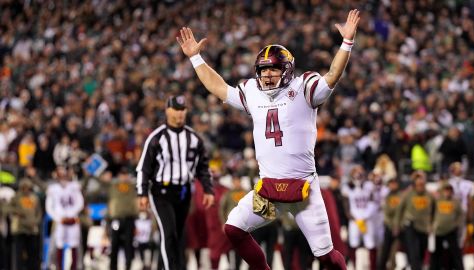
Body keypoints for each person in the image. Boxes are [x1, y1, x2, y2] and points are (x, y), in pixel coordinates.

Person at [177, 8, 360, 270]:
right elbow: (219, 88)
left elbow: (332, 75)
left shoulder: (303, 87)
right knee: (233, 229)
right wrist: (195, 58)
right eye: (263, 70)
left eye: (274, 69)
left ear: (287, 69)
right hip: (269, 190)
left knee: (326, 256)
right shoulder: (253, 91)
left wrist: (347, 42)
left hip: (303, 190)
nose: (267, 75)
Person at [136, 94, 214, 270]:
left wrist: (208, 190)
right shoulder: (157, 137)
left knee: (179, 236)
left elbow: (203, 167)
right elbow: (144, 168)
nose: (179, 114)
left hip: (184, 191)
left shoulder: (194, 138)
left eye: (183, 110)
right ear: (167, 110)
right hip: (161, 191)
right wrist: (142, 193)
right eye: (176, 110)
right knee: (168, 233)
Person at [46, 165, 85, 270]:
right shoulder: (53, 188)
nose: (63, 176)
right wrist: (58, 218)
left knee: (75, 245)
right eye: (61, 174)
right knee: (56, 246)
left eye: (64, 174)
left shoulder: (74, 186)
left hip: (73, 220)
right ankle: (55, 266)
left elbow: (80, 202)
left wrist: (72, 214)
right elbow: (49, 207)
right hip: (59, 221)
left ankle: (75, 267)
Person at [394, 171, 434, 270]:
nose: (420, 182)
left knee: (422, 250)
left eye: (421, 179)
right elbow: (399, 210)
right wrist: (396, 225)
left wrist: (432, 224)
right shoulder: (408, 194)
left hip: (424, 227)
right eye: (417, 179)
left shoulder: (429, 195)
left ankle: (417, 267)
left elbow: (435, 212)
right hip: (410, 225)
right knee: (413, 252)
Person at [108, 167, 138, 270]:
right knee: (114, 243)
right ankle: (113, 267)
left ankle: (128, 266)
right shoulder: (113, 186)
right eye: (122, 174)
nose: (124, 177)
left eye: (125, 174)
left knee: (129, 244)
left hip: (130, 219)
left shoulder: (133, 186)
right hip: (116, 219)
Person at [8, 179, 42, 270]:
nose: (26, 190)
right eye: (24, 187)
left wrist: (35, 221)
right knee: (18, 253)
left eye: (28, 188)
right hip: (20, 229)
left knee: (32, 253)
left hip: (32, 229)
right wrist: (17, 212)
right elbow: (8, 208)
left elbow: (39, 213)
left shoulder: (34, 198)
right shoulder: (16, 197)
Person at [429, 182, 464, 270]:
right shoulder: (437, 201)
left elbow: (461, 214)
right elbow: (430, 213)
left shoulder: (455, 201)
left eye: (449, 190)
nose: (447, 192)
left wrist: (457, 224)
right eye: (446, 190)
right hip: (438, 230)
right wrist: (431, 225)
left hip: (451, 230)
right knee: (436, 253)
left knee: (455, 253)